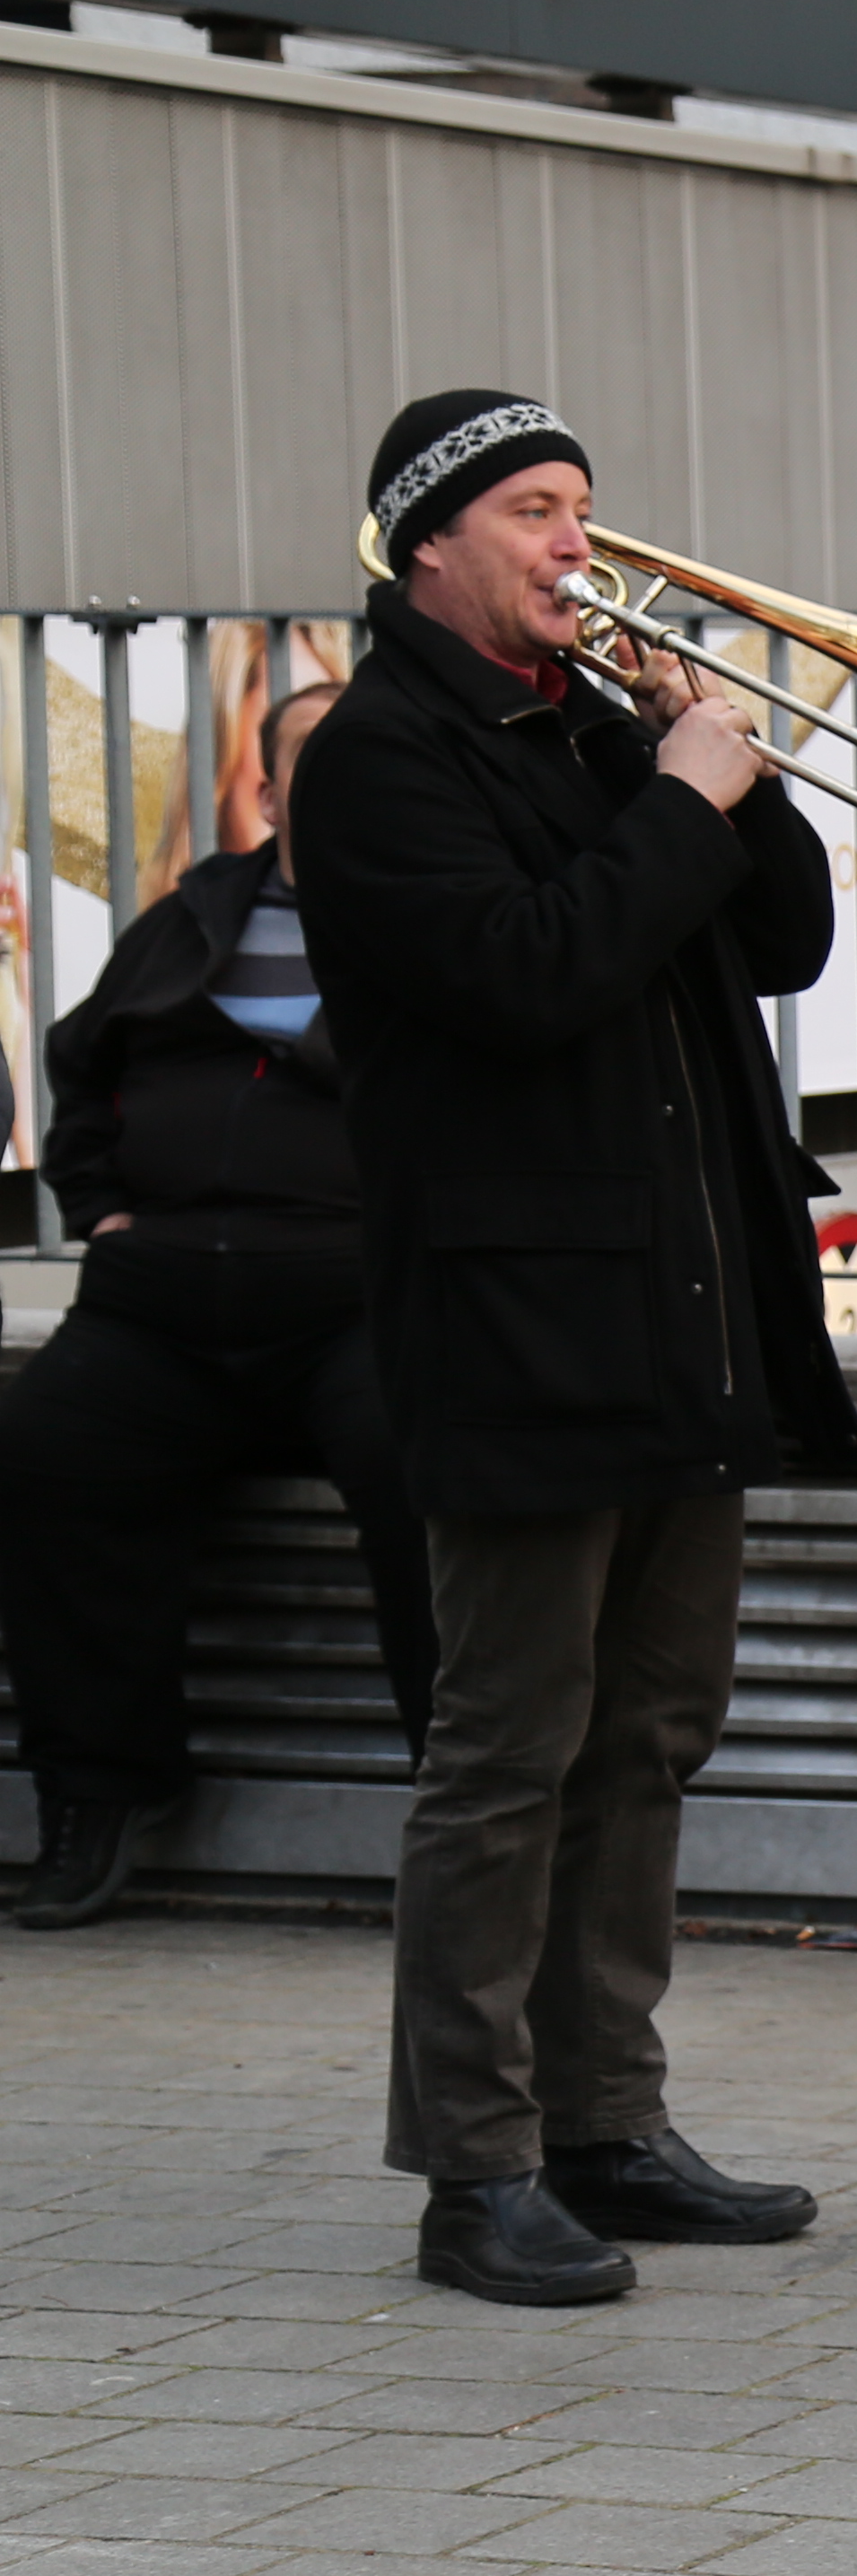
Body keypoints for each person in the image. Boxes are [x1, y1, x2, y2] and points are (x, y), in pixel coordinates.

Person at [301, 389, 853, 2309]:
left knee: (650, 1734)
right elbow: (527, 973)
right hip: (516, 1324)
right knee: (509, 1751)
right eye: (536, 510)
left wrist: (725, 772)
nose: (576, 545)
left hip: (682, 1315)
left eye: (585, 510)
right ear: (431, 539)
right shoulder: (379, 759)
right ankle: (474, 2166)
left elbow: (778, 945)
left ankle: (606, 2120)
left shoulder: (598, 729)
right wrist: (682, 798)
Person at [1, 679, 442, 1928]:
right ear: (267, 791)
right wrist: (100, 1206)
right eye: (322, 760)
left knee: (433, 1472)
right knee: (48, 1452)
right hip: (161, 1301)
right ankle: (101, 1795)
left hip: (360, 1299)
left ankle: (467, 1814)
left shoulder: (440, 921)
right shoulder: (191, 920)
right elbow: (84, 1065)